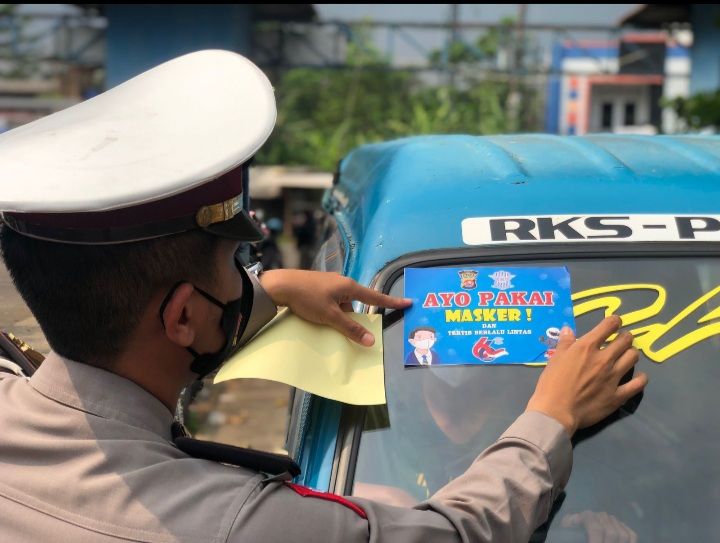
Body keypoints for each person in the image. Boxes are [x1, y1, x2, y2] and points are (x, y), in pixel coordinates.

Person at [0, 50, 647, 542]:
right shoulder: (234, 523)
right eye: (240, 263)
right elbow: (455, 531)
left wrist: (267, 291)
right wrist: (552, 416)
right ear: (183, 316)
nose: (255, 275)